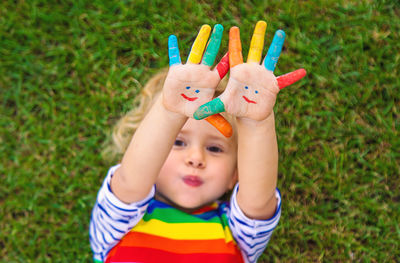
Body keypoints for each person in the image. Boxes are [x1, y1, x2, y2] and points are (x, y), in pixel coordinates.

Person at [90, 21, 304, 263]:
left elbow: (258, 200)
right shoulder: (118, 223)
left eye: (214, 148)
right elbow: (131, 180)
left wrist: (257, 121)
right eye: (178, 142)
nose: (195, 159)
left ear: (236, 174)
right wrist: (170, 112)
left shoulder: (238, 233)